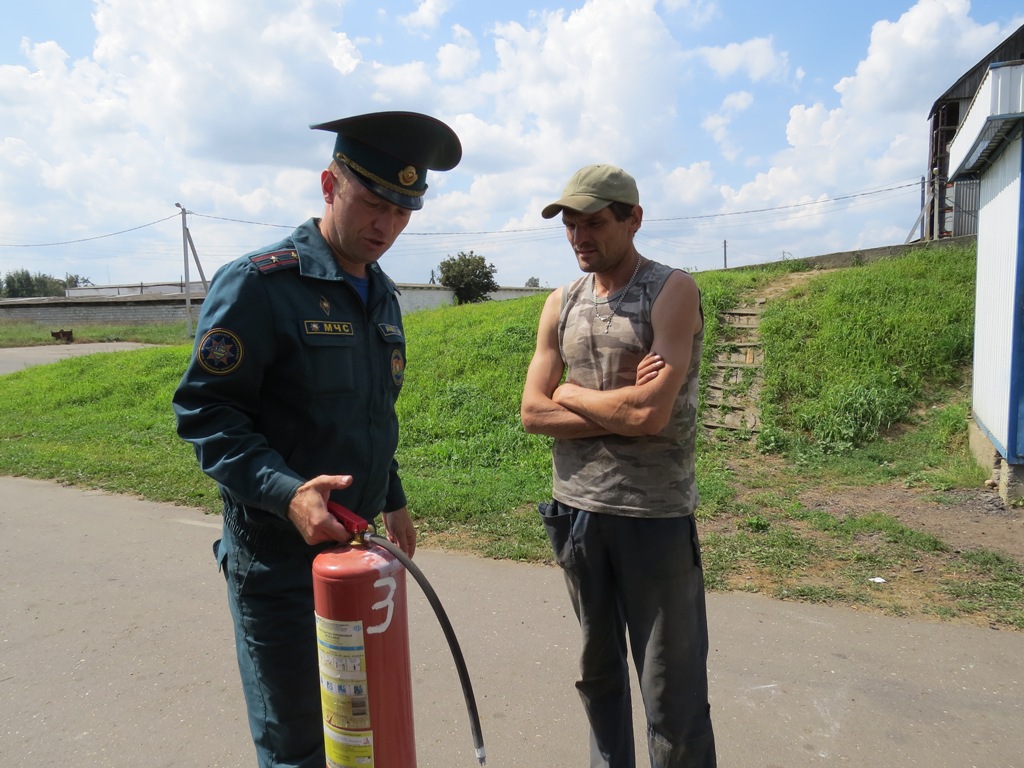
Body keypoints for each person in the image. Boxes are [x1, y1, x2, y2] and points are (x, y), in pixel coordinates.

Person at [172, 111, 461, 768]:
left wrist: (393, 496)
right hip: (277, 566)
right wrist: (287, 493)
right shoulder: (260, 285)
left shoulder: (381, 296)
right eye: (373, 203)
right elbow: (206, 411)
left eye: (402, 211)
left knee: (362, 738)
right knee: (298, 746)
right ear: (330, 185)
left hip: (357, 561)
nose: (386, 225)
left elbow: (370, 415)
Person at [520, 164, 717, 768]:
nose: (580, 237)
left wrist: (571, 393)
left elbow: (650, 416)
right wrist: (620, 406)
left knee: (672, 693)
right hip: (576, 513)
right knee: (599, 679)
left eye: (595, 223)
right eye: (571, 225)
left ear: (634, 219)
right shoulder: (561, 302)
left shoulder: (671, 290)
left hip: (653, 515)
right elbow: (532, 412)